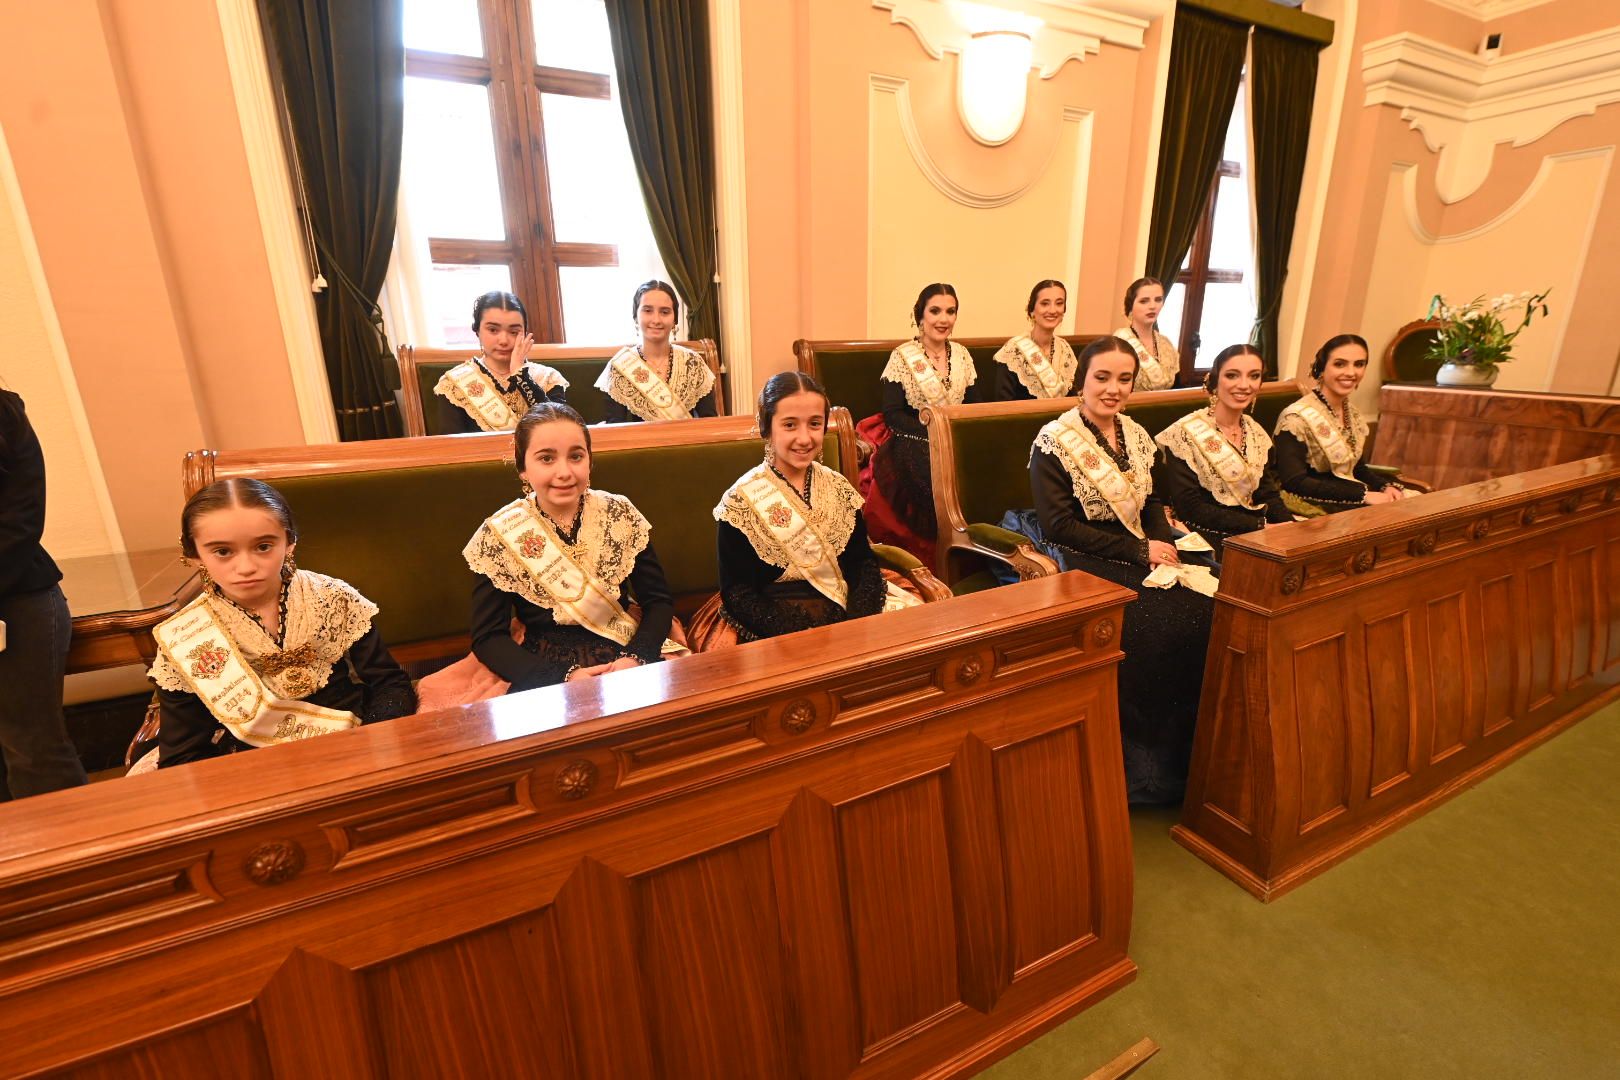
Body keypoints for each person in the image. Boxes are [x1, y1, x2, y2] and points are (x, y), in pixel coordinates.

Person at [1013, 336, 1215, 804]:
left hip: (1138, 547)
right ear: (1081, 381)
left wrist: (1159, 540)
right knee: (1154, 623)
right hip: (1082, 554)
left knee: (1207, 607)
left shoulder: (1137, 436)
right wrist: (1141, 552)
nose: (1113, 389)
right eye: (1102, 378)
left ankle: (1187, 762)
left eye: (1124, 379)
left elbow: (1152, 500)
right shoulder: (1054, 442)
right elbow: (1059, 526)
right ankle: (1139, 773)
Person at [147, 479, 415, 768]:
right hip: (259, 761)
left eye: (263, 546)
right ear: (194, 555)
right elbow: (184, 754)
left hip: (351, 735)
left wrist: (373, 742)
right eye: (223, 552)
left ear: (289, 542)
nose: (246, 567)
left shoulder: (332, 598)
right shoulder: (188, 634)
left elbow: (389, 683)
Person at [459, 403, 686, 693]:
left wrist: (636, 657)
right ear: (522, 469)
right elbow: (488, 638)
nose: (564, 472)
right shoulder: (499, 534)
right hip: (543, 664)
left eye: (576, 456)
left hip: (626, 649)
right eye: (546, 459)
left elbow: (658, 602)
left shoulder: (620, 513)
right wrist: (564, 677)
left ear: (590, 462)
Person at [692, 372, 920, 649]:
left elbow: (862, 563)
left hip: (845, 606)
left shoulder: (838, 487)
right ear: (767, 427)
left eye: (814, 424)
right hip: (772, 622)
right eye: (789, 425)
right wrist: (805, 634)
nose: (804, 438)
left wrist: (857, 622)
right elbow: (738, 592)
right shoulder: (741, 502)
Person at [0, 388, 87, 798]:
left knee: (33, 750)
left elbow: (19, 522)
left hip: (13, 599)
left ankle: (75, 861)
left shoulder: (3, 410)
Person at [857, 283, 979, 567]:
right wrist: (933, 434)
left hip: (955, 437)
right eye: (935, 311)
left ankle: (971, 552)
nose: (943, 319)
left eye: (950, 311)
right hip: (911, 437)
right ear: (920, 316)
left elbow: (975, 405)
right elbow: (893, 413)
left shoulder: (962, 355)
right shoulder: (902, 356)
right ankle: (928, 559)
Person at [1154, 343, 1292, 555]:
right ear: (1215, 381)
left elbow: (1267, 493)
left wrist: (1291, 527)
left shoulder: (1256, 433)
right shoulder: (1184, 433)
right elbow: (1191, 508)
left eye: (1254, 376)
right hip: (1202, 533)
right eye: (1232, 375)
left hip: (1254, 529)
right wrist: (1261, 527)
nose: (1244, 385)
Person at [1273, 333, 1408, 515]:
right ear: (1322, 368)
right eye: (1340, 364)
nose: (1351, 373)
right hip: (1310, 501)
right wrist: (1364, 495)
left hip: (1348, 493)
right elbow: (1294, 482)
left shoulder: (1351, 413)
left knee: (1410, 503)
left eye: (1359, 364)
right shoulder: (1296, 419)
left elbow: (1357, 468)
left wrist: (1384, 487)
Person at [434, 291, 569, 434]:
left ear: (525, 333)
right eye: (493, 330)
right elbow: (454, 447)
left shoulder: (547, 378)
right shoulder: (454, 385)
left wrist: (520, 375)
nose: (504, 340)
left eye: (514, 332)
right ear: (477, 330)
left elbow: (560, 430)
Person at [596, 280, 717, 423]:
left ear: (674, 320)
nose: (656, 319)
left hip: (687, 443)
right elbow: (615, 429)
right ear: (636, 316)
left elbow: (709, 422)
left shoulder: (693, 363)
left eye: (665, 312)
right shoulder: (620, 367)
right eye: (647, 311)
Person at [992, 279, 1078, 401]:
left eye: (1059, 303)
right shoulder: (1012, 351)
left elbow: (1073, 399)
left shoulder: (1065, 349)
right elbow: (1003, 405)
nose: (1053, 310)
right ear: (1032, 310)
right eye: (1044, 303)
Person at [1115, 277, 1180, 391]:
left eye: (1158, 300)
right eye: (1144, 301)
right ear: (1131, 306)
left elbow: (1178, 387)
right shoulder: (1119, 342)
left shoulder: (1167, 344)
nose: (1152, 306)